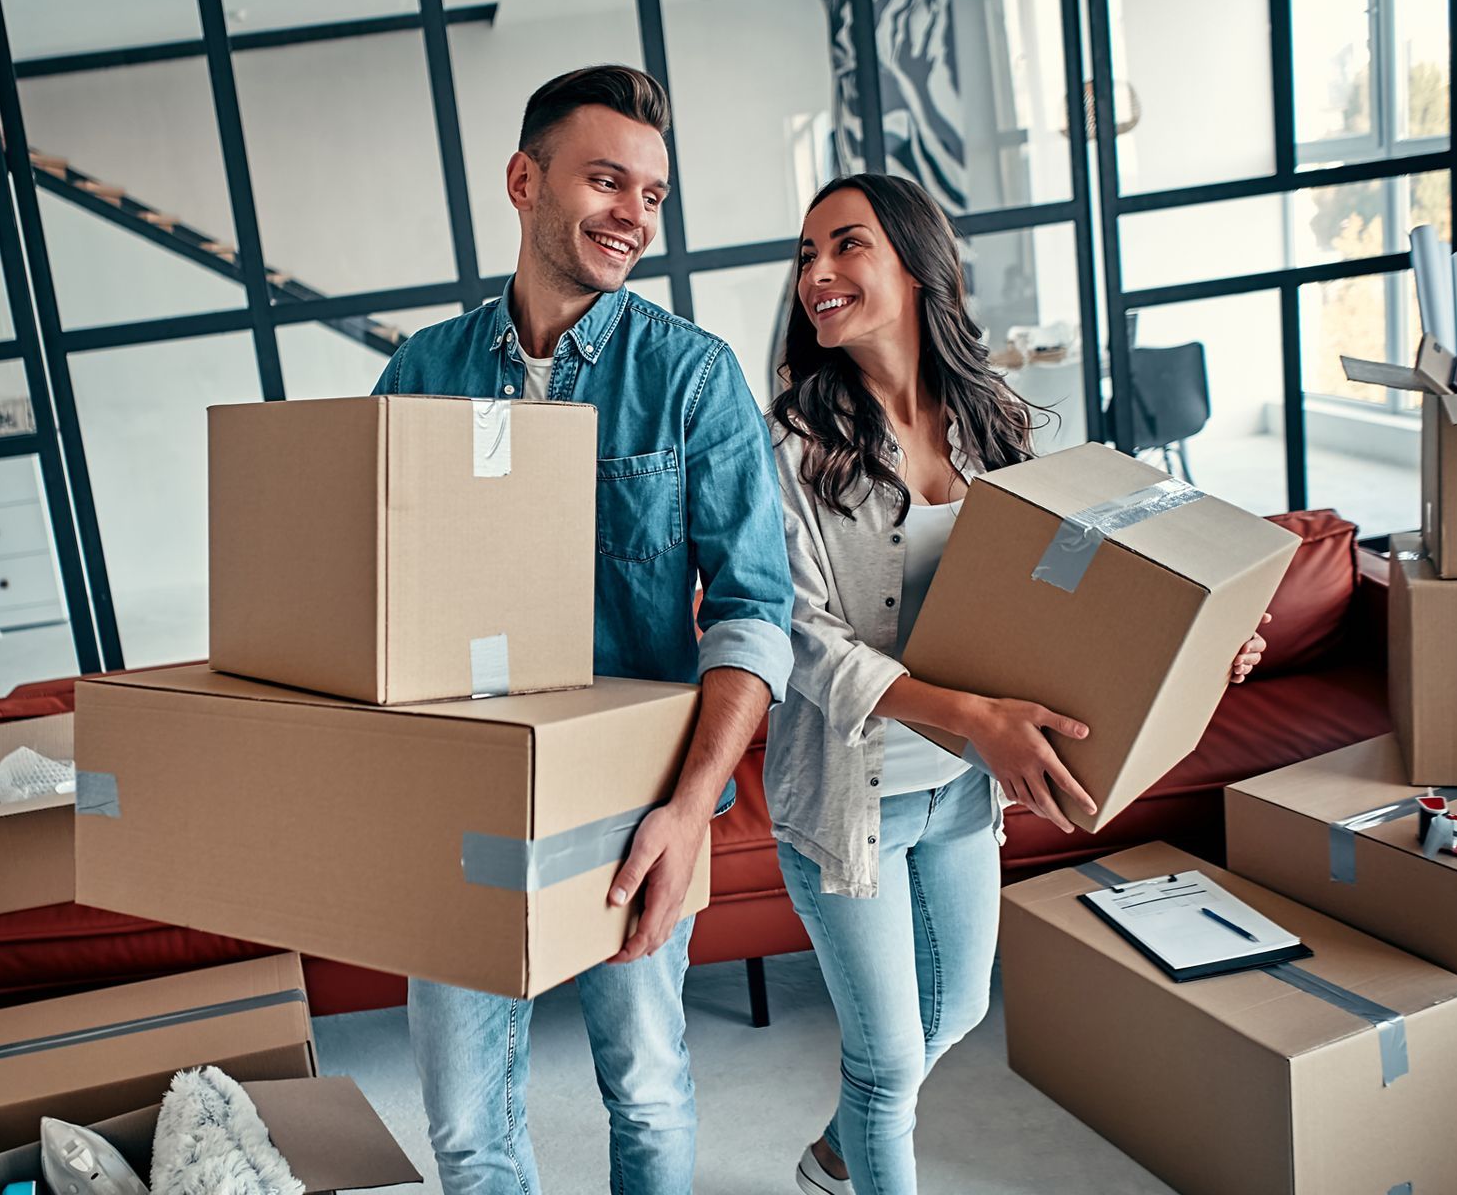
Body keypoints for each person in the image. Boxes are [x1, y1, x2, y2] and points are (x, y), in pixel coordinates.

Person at [764, 173, 1270, 1195]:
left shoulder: (996, 427)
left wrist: (1196, 640)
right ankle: (866, 1151)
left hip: (958, 786)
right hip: (844, 800)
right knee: (891, 1058)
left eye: (846, 245)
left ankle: (836, 1155)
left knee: (951, 1012)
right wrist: (969, 717)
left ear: (915, 264)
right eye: (806, 255)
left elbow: (1075, 601)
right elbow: (798, 637)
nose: (817, 272)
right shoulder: (791, 449)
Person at [372, 65, 794, 1195]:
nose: (634, 216)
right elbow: (371, 595)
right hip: (458, 797)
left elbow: (756, 614)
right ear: (523, 179)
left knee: (649, 1092)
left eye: (653, 194)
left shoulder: (693, 381)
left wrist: (692, 812)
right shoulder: (420, 373)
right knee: (464, 1124)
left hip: (631, 808)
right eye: (607, 180)